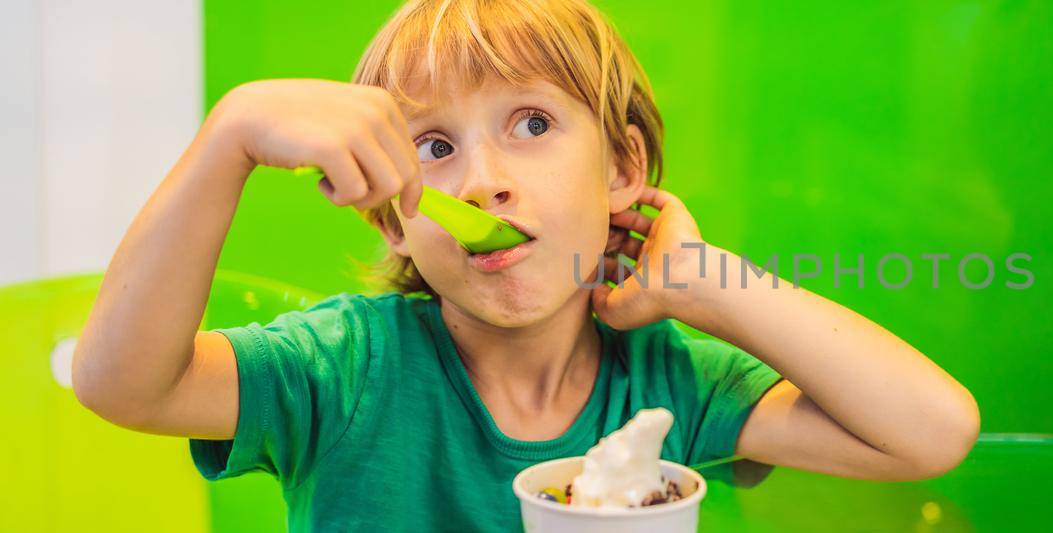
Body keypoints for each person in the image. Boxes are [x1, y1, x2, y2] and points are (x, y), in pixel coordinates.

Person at [72, 0, 978, 529]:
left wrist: (704, 282)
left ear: (622, 169)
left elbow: (931, 431)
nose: (486, 181)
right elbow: (121, 384)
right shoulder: (342, 368)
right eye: (431, 146)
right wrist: (229, 136)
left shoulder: (673, 383)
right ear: (393, 214)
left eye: (532, 125)